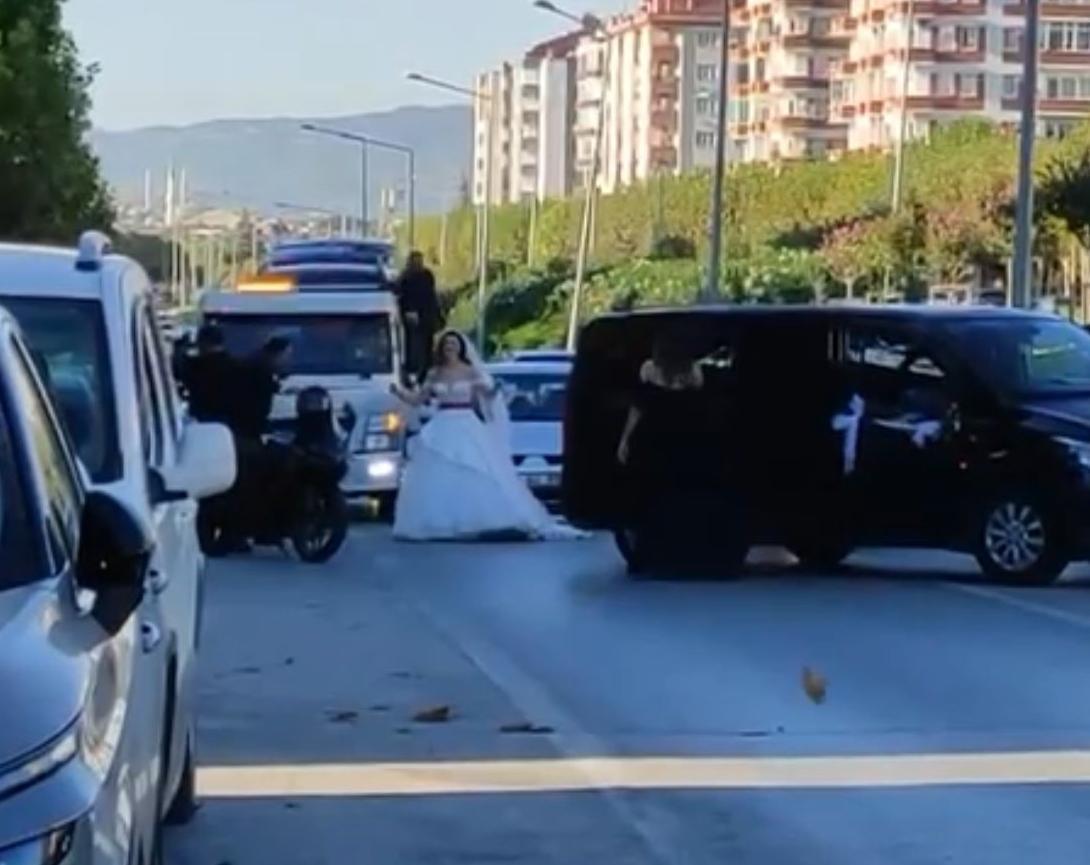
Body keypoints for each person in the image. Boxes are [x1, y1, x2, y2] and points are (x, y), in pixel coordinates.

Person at [390, 329, 585, 541]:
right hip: (443, 423)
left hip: (466, 422)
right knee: (439, 470)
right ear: (441, 349)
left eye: (454, 344)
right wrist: (399, 392)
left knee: (478, 467)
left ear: (461, 348)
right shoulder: (434, 373)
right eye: (447, 345)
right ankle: (441, 521)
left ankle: (486, 519)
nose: (450, 348)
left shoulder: (471, 371)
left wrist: (497, 390)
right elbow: (418, 399)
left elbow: (487, 395)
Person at [616, 330, 713, 567]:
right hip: (681, 440)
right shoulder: (693, 371)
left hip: (651, 439)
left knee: (648, 495)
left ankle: (647, 547)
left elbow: (637, 408)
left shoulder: (649, 370)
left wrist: (625, 439)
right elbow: (699, 405)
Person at [395, 251, 444, 382]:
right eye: (415, 261)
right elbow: (402, 297)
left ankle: (424, 374)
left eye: (420, 261)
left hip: (427, 318)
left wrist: (437, 316)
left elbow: (432, 296)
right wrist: (409, 312)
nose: (418, 264)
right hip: (412, 320)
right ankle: (415, 373)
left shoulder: (427, 275)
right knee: (414, 348)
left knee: (427, 348)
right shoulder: (405, 278)